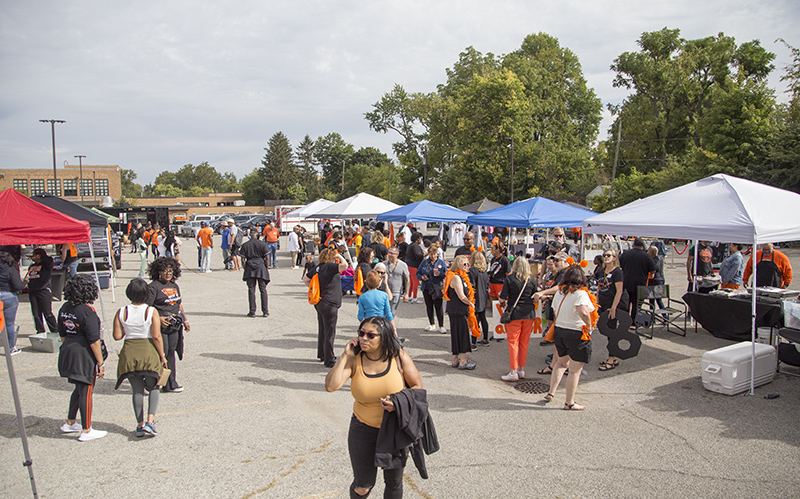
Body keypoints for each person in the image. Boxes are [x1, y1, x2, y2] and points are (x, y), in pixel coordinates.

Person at [324, 316, 423, 499]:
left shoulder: (398, 357)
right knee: (362, 485)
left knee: (393, 483)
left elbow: (418, 387)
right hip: (363, 429)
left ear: (383, 337)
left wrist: (398, 403)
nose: (364, 338)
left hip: (394, 429)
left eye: (371, 335)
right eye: (361, 333)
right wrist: (345, 356)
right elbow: (331, 386)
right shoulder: (355, 360)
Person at [112, 278, 167, 437]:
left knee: (136, 390)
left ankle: (139, 425)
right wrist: (162, 356)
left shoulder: (122, 311)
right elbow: (156, 336)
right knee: (154, 386)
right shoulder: (151, 311)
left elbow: (117, 336)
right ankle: (150, 421)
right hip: (148, 351)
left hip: (129, 352)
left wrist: (127, 329)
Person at [57, 274, 107, 441]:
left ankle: (70, 421)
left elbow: (62, 334)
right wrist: (100, 362)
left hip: (68, 350)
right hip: (83, 354)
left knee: (78, 388)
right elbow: (94, 340)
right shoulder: (88, 311)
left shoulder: (64, 308)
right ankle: (86, 429)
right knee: (86, 390)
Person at [544, 265, 596, 411]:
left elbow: (554, 310)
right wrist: (589, 325)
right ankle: (569, 402)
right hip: (576, 332)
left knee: (560, 364)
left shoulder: (560, 293)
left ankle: (551, 392)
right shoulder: (580, 293)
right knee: (574, 371)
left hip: (560, 330)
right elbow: (583, 311)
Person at [146, 257, 190, 393]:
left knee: (171, 353)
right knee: (161, 354)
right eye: (164, 271)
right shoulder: (153, 287)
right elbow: (147, 307)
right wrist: (158, 318)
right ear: (158, 271)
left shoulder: (174, 285)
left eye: (170, 271)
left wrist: (185, 320)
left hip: (174, 326)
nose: (167, 273)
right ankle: (151, 382)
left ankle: (170, 383)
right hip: (160, 327)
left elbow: (178, 304)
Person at [498, 256, 538, 381]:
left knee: (513, 342)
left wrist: (502, 301)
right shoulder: (532, 281)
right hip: (529, 314)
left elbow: (502, 297)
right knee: (524, 343)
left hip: (514, 314)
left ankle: (513, 371)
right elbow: (535, 296)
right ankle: (521, 369)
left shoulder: (510, 279)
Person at [311, 248, 348, 367]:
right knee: (330, 331)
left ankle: (322, 353)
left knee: (323, 329)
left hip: (320, 301)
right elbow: (345, 266)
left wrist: (316, 288)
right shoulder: (330, 267)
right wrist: (339, 256)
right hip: (330, 302)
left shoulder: (318, 267)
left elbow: (306, 279)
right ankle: (329, 358)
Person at [595, 249, 628, 371]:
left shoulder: (617, 272)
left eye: (609, 255)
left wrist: (614, 307)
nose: (606, 257)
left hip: (611, 305)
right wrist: (597, 302)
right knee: (606, 330)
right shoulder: (602, 271)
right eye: (604, 255)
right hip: (603, 304)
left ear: (614, 258)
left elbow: (619, 291)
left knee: (612, 332)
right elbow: (599, 287)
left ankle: (612, 358)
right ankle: (612, 357)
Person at [445, 255, 477, 370]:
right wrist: (470, 303)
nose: (467, 266)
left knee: (456, 334)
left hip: (456, 310)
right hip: (458, 310)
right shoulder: (456, 277)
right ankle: (462, 361)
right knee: (462, 335)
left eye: (467, 264)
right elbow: (461, 296)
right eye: (464, 264)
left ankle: (455, 359)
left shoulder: (459, 276)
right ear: (457, 264)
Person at [618, 237, 655, 317]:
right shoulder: (646, 256)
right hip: (640, 284)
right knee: (637, 305)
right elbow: (652, 270)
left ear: (633, 244)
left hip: (626, 282)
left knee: (626, 303)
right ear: (643, 245)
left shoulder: (625, 254)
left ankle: (625, 320)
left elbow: (618, 265)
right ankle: (634, 322)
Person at [25, 248, 58, 336]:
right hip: (33, 291)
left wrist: (41, 256)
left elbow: (50, 261)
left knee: (47, 313)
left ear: (39, 255)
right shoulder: (32, 266)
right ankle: (40, 331)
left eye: (34, 254)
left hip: (43, 290)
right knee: (36, 314)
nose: (32, 256)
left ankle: (55, 330)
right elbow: (28, 276)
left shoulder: (46, 264)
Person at [240, 229, 271, 317]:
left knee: (251, 290)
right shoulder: (262, 244)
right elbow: (267, 257)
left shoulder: (245, 245)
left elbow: (243, 259)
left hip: (250, 266)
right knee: (263, 290)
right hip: (260, 266)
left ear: (249, 235)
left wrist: (245, 268)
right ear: (257, 235)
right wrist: (266, 267)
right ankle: (265, 311)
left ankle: (252, 311)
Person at [417, 245, 448, 333]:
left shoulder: (441, 263)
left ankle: (441, 325)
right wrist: (422, 277)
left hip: (437, 287)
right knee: (429, 306)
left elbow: (446, 275)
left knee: (438, 307)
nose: (433, 256)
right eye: (431, 254)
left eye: (434, 254)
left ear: (437, 254)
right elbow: (418, 273)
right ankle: (432, 324)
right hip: (426, 287)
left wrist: (440, 274)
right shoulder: (424, 262)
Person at [1, 250, 24, 355]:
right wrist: (25, 282)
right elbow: (18, 286)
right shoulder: (11, 269)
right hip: (8, 296)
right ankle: (11, 348)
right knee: (9, 324)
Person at [469, 249, 491, 347]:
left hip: (476, 297)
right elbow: (487, 285)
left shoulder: (472, 271)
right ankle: (485, 338)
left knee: (475, 320)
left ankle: (473, 342)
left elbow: (472, 286)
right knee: (483, 318)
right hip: (483, 296)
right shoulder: (484, 272)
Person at [383, 246, 410, 317]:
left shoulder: (403, 265)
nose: (390, 255)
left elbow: (407, 279)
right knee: (384, 311)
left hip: (396, 292)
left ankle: (388, 325)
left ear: (397, 255)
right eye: (389, 253)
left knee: (392, 311)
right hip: (384, 292)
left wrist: (406, 293)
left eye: (392, 253)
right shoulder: (383, 264)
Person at [404, 233, 425, 304]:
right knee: (415, 281)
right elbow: (418, 255)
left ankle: (410, 296)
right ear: (418, 239)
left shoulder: (410, 245)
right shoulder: (415, 246)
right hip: (414, 265)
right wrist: (424, 254)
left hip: (409, 265)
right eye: (420, 239)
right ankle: (415, 297)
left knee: (411, 282)